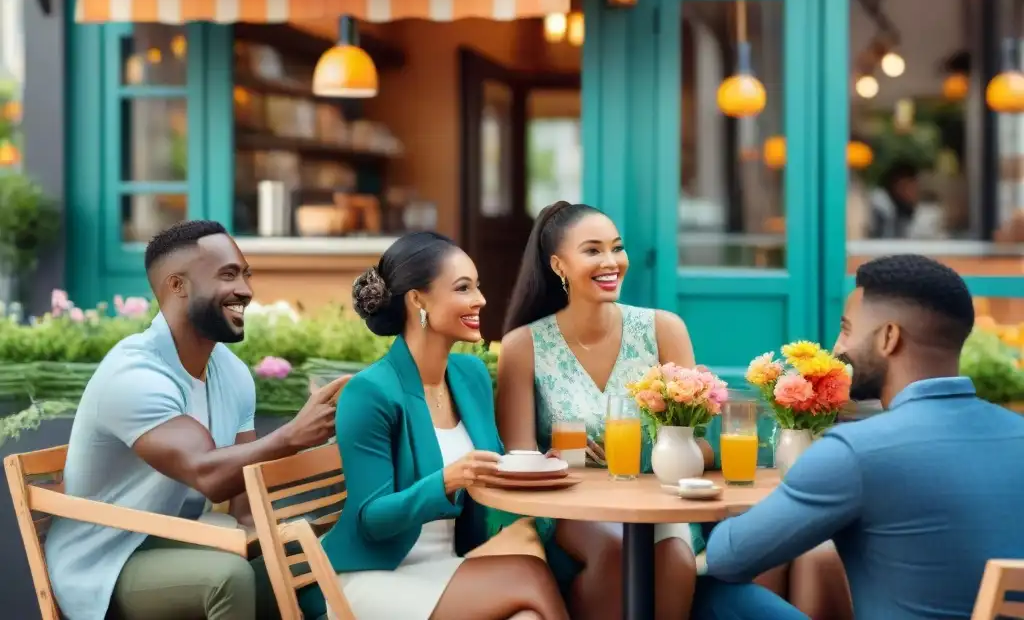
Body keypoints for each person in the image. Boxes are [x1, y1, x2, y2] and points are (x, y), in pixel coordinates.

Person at [496, 202, 848, 620]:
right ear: (559, 264)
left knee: (677, 560)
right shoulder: (524, 346)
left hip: (659, 498)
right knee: (614, 552)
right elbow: (518, 458)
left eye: (617, 248)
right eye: (592, 251)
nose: (611, 262)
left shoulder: (662, 329)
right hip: (575, 505)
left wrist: (668, 452)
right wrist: (548, 461)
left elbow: (701, 449)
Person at [45, 220, 345, 620]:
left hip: (176, 538)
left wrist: (293, 537)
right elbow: (207, 473)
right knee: (229, 578)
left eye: (245, 275)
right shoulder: (134, 374)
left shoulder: (233, 374)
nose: (246, 290)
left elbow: (242, 505)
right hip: (103, 558)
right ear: (177, 286)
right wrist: (294, 435)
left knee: (302, 559)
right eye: (228, 275)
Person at [696, 254, 1024, 620]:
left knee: (709, 593)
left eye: (847, 329)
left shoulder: (856, 450)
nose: (837, 348)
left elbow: (728, 559)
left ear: (889, 337)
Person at [317, 231, 570, 620]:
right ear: (418, 300)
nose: (480, 300)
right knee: (529, 574)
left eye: (478, 286)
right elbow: (371, 519)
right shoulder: (370, 393)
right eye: (463, 288)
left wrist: (533, 467)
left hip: (449, 564)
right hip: (372, 576)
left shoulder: (470, 376)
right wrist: (448, 480)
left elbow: (491, 464)